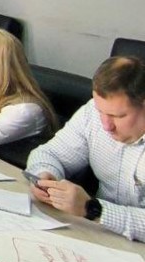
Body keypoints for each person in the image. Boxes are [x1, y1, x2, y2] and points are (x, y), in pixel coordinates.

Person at [27, 56, 145, 241]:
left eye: (118, 116)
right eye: (101, 111)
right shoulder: (92, 113)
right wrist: (46, 177)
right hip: (98, 234)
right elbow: (48, 153)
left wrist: (92, 209)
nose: (106, 125)